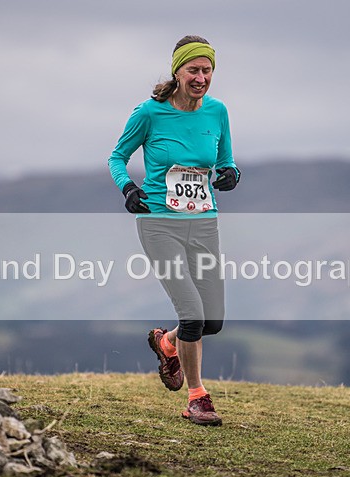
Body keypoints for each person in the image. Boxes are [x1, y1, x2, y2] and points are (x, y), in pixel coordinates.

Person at [108, 35, 241, 426]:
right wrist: (128, 188)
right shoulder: (149, 113)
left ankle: (167, 343)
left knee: (212, 321)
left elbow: (225, 159)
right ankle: (197, 398)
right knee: (193, 315)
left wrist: (231, 173)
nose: (201, 77)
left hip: (203, 223)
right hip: (159, 223)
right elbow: (117, 157)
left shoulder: (217, 111)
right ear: (178, 72)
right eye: (193, 70)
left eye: (207, 70)